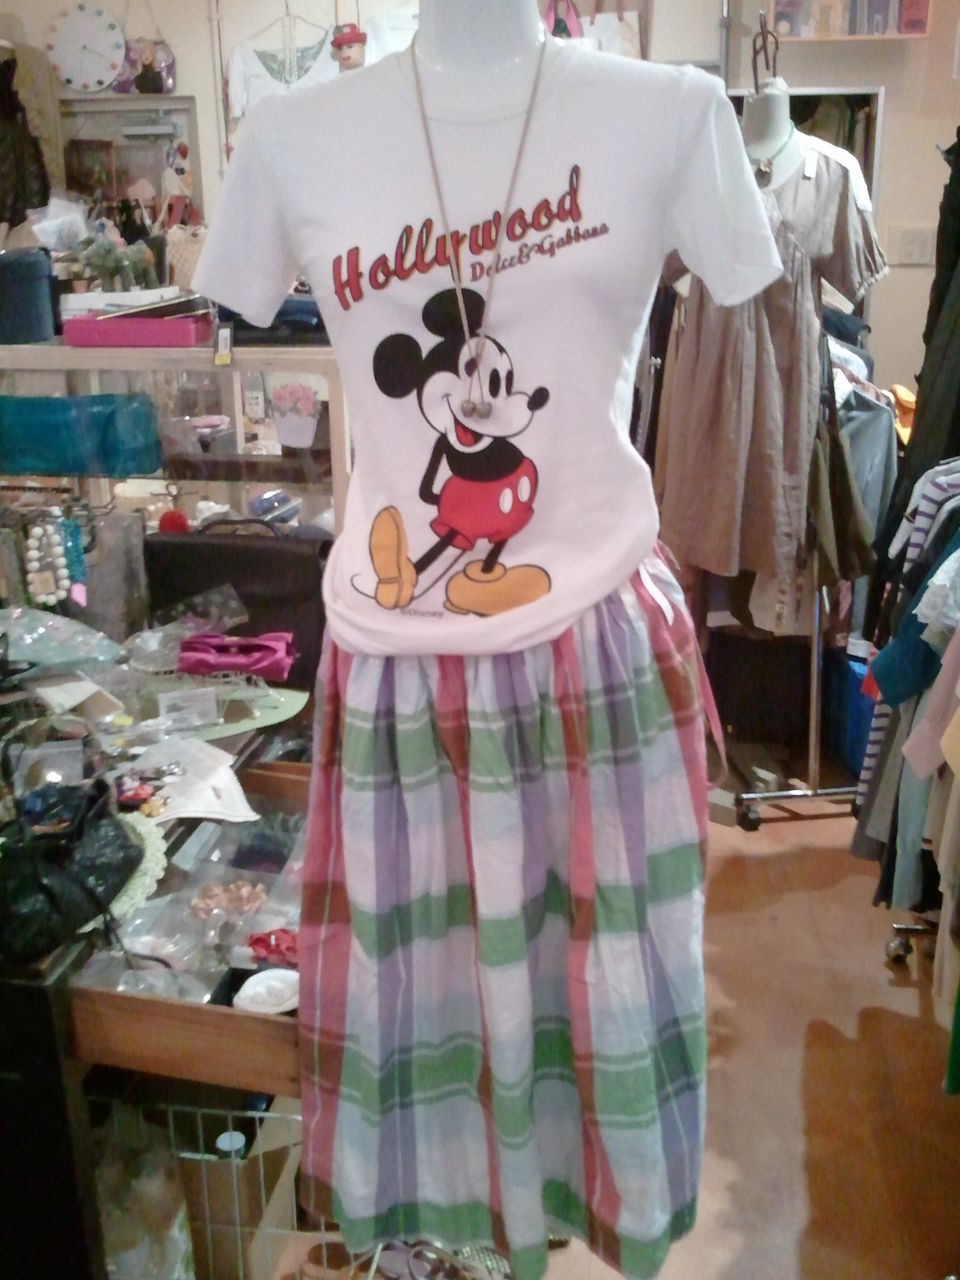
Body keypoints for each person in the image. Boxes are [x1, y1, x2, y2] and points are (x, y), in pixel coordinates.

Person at [192, 4, 782, 1276]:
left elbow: (740, 279)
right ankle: (443, 1231)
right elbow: (237, 299)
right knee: (426, 1008)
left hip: (594, 646)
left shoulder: (673, 112)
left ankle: (566, 1210)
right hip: (397, 668)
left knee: (594, 996)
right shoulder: (292, 134)